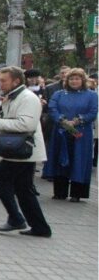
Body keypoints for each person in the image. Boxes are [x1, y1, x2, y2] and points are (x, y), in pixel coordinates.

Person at [0, 66, 51, 238]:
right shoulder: (11, 97)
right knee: (23, 189)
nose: (0, 83)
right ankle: (39, 227)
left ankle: (16, 218)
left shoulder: (28, 98)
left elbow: (26, 125)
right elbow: (3, 124)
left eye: (3, 80)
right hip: (17, 151)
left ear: (16, 81)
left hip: (23, 151)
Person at [42, 68, 97, 202]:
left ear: (83, 80)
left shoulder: (92, 95)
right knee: (60, 159)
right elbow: (52, 108)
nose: (74, 81)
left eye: (77, 78)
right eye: (71, 79)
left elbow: (93, 111)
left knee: (79, 160)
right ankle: (60, 192)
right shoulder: (59, 94)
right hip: (61, 131)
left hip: (82, 133)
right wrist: (63, 121)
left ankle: (77, 193)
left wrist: (78, 120)